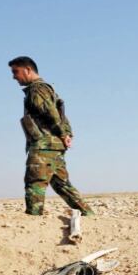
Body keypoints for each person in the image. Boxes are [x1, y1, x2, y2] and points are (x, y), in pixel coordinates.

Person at [8, 56, 93, 216]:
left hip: (44, 146)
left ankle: (34, 220)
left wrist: (63, 134)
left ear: (27, 70)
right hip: (53, 146)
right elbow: (60, 115)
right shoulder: (45, 89)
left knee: (35, 183)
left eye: (16, 72)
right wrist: (66, 134)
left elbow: (52, 114)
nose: (14, 77)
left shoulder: (37, 89)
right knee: (62, 184)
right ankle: (89, 216)